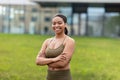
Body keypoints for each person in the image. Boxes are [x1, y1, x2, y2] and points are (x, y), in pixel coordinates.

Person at [36, 14, 75, 80]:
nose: (56, 25)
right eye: (54, 23)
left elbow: (62, 63)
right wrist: (54, 59)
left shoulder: (69, 41)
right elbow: (37, 61)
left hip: (63, 77)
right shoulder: (47, 41)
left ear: (65, 24)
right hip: (49, 77)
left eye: (59, 23)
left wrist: (44, 61)